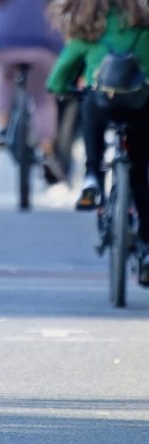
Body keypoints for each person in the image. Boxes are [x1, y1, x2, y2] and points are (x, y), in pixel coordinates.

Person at [47, 0, 149, 283]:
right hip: (141, 106)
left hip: (103, 106)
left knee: (89, 101)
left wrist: (65, 89)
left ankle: (92, 176)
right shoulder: (144, 29)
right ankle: (147, 248)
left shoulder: (88, 31)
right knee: (141, 175)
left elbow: (57, 79)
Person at [0, 0, 67, 185]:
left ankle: (2, 128)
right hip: (44, 44)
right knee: (43, 99)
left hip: (6, 42)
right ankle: (46, 149)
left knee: (5, 80)